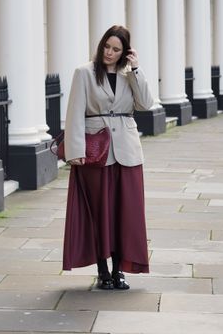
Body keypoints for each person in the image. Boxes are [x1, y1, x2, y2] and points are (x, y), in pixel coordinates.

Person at [62, 25, 154, 290]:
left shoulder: (129, 75)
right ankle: (103, 270)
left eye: (116, 49)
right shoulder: (84, 73)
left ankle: (119, 271)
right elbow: (75, 112)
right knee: (100, 211)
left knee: (125, 212)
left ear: (125, 52)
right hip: (96, 153)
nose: (109, 53)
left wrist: (136, 69)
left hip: (127, 151)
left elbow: (146, 104)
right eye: (106, 47)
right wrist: (75, 150)